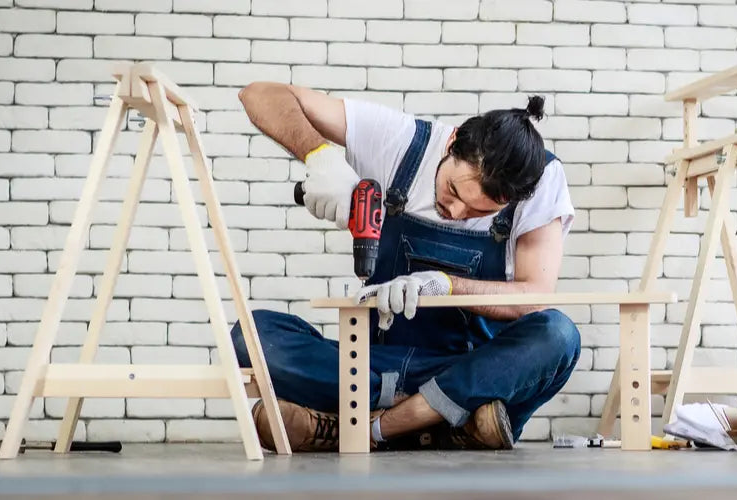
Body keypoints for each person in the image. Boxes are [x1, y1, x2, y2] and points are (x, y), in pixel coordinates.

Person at [231, 81, 580, 452]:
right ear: (452, 144)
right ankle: (447, 424)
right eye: (454, 191)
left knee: (558, 335)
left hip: (470, 367)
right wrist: (320, 157)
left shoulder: (541, 179)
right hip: (375, 367)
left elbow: (534, 297)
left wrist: (446, 286)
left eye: (480, 212)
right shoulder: (400, 141)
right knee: (252, 335)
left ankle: (367, 426)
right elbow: (258, 95)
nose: (459, 213)